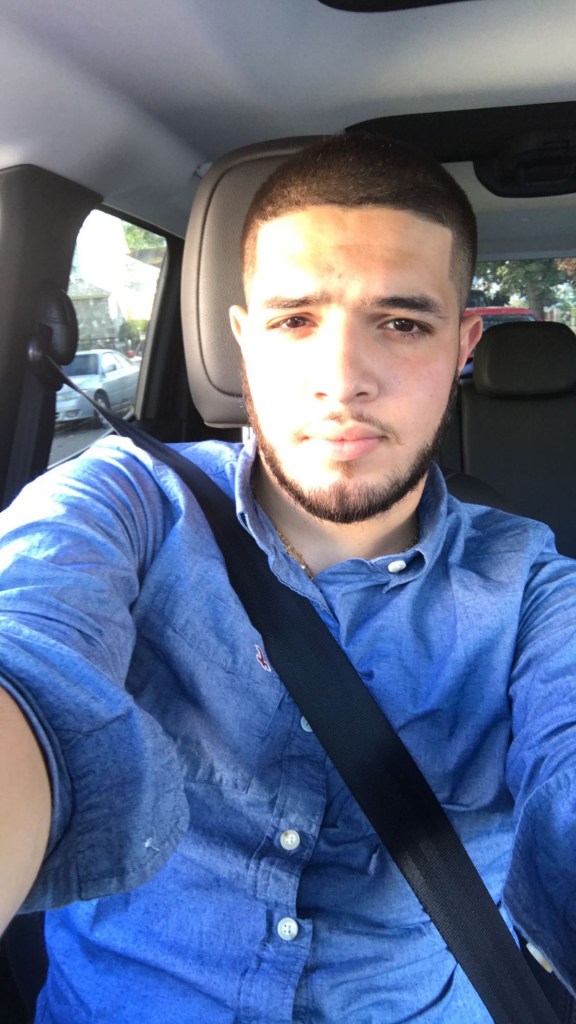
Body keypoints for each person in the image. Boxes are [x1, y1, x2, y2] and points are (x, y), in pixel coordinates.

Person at [0, 133, 575, 1023]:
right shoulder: (123, 503)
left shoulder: (531, 586)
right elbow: (26, 645)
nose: (342, 381)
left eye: (402, 322)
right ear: (243, 340)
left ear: (464, 344)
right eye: (294, 320)